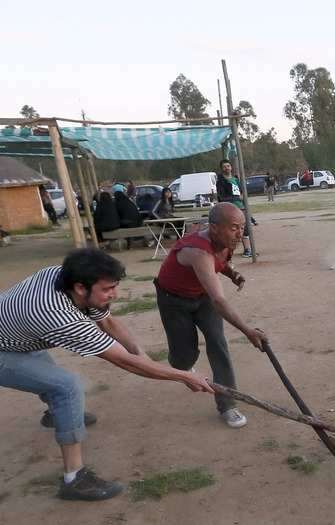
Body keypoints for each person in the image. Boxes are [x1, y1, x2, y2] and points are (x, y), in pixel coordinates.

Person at [0, 249, 213, 501]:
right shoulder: (58, 316)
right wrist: (184, 376)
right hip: (6, 347)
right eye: (108, 289)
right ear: (80, 288)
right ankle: (74, 479)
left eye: (115, 286)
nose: (114, 294)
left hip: (16, 334)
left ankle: (56, 414)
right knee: (66, 387)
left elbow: (108, 323)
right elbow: (124, 362)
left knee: (51, 379)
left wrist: (140, 354)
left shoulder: (64, 277)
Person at [154, 203, 267, 428]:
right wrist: (247, 330)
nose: (240, 233)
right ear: (214, 228)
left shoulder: (226, 242)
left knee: (218, 344)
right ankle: (182, 364)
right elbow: (219, 300)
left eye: (242, 227)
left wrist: (231, 273)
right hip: (173, 300)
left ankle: (228, 405)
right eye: (234, 227)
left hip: (202, 298)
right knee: (184, 356)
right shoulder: (197, 250)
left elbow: (221, 261)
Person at [216, 159, 253, 257]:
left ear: (231, 167)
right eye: (224, 166)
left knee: (245, 228)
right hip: (231, 209)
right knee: (232, 230)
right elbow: (221, 197)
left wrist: (242, 200)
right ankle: (228, 252)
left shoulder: (236, 179)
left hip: (241, 207)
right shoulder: (221, 182)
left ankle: (247, 249)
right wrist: (234, 199)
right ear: (221, 169)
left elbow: (241, 192)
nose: (226, 168)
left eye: (228, 166)